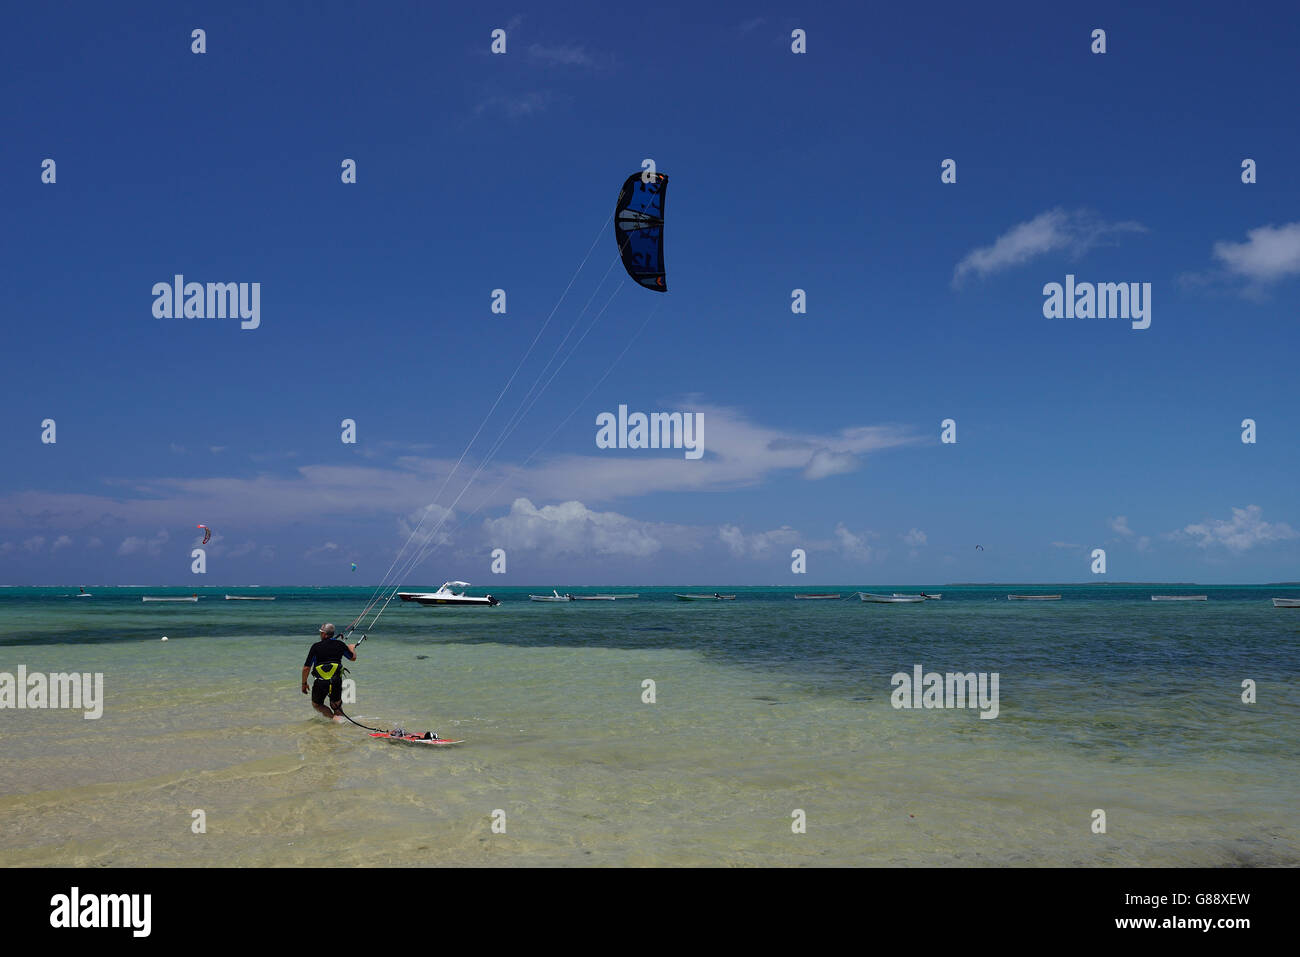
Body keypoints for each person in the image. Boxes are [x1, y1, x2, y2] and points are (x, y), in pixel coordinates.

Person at [301, 623, 357, 720]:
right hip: (335, 680)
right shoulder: (340, 645)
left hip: (320, 681)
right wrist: (351, 648)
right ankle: (340, 722)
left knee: (317, 704)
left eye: (321, 633)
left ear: (323, 634)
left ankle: (333, 718)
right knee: (336, 706)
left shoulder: (315, 647)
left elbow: (306, 668)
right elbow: (353, 658)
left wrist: (304, 683)